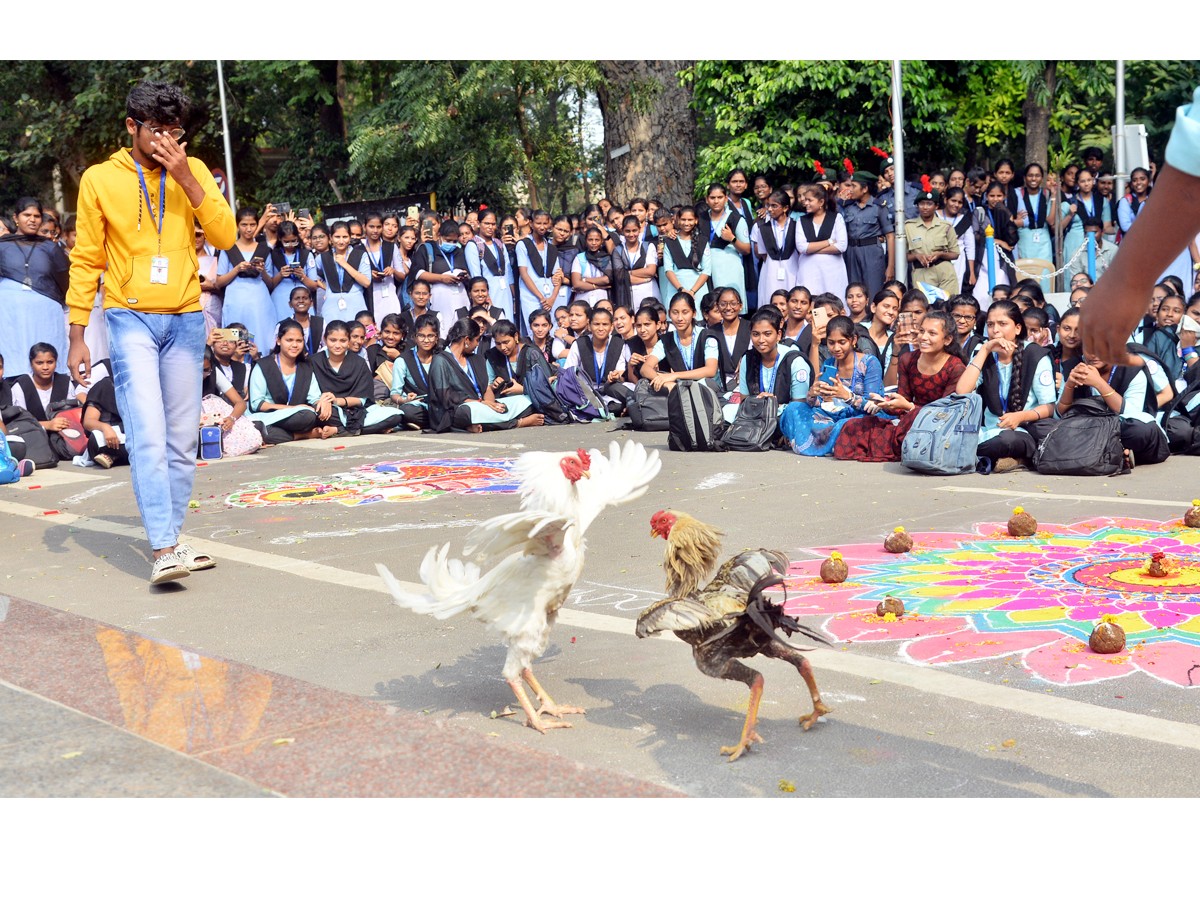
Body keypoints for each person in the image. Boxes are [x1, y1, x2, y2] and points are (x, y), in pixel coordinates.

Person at [66, 81, 237, 584]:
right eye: (156, 131)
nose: (166, 140)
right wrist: (78, 332)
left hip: (186, 318)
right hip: (128, 317)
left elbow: (225, 236)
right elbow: (86, 259)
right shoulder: (100, 178)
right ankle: (164, 547)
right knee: (147, 432)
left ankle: (173, 537)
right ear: (131, 127)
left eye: (175, 132)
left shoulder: (195, 169)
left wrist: (187, 178)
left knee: (184, 440)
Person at [834, 310, 966, 462]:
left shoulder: (955, 367)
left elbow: (946, 414)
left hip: (936, 426)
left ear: (947, 339)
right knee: (853, 426)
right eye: (921, 331)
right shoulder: (907, 359)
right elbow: (901, 401)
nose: (923, 337)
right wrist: (886, 403)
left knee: (905, 427)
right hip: (907, 419)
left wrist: (910, 408)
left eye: (932, 333)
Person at [955, 300, 1056, 473]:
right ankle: (1007, 459)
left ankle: (1017, 457)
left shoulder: (1035, 355)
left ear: (1017, 328)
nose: (995, 330)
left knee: (1006, 441)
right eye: (990, 324)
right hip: (990, 430)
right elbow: (962, 391)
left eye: (1002, 324)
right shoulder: (983, 351)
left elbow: (1049, 407)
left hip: (1023, 429)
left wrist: (1020, 416)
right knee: (959, 438)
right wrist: (985, 350)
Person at [782, 314, 884, 456]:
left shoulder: (869, 363)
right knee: (793, 408)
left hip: (860, 415)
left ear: (853, 340)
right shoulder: (829, 363)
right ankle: (823, 443)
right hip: (832, 415)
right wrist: (812, 394)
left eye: (842, 342)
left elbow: (873, 405)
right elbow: (823, 403)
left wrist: (847, 396)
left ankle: (816, 442)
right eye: (831, 342)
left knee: (844, 426)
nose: (836, 348)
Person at [1056, 349, 1170, 467]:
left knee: (1142, 430)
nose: (1094, 353)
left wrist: (1099, 383)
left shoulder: (1131, 370)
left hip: (1119, 429)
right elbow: (1059, 415)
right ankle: (1116, 454)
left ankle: (1106, 454)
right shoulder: (1075, 367)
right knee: (1044, 428)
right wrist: (1069, 385)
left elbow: (1132, 413)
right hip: (1088, 429)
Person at [427, 316, 540, 433]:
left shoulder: (477, 359)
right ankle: (518, 423)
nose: (477, 345)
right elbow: (445, 399)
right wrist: (482, 403)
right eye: (477, 340)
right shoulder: (440, 360)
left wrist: (492, 405)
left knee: (526, 401)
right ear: (466, 340)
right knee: (467, 413)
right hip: (458, 408)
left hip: (482, 407)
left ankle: (478, 424)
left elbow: (486, 389)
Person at [0, 197, 71, 377]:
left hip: (45, 315)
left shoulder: (50, 247)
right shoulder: (3, 245)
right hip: (10, 317)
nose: (32, 219)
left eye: (37, 216)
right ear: (16, 218)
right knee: (13, 357)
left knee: (45, 357)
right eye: (27, 215)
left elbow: (64, 277)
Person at [248, 319, 338, 443]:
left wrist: (323, 403)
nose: (295, 345)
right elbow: (257, 404)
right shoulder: (263, 366)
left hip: (298, 416)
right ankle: (304, 435)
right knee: (263, 428)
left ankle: (279, 433)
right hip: (270, 416)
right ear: (278, 341)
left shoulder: (305, 367)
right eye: (289, 340)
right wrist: (292, 409)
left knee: (325, 413)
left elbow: (314, 398)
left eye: (299, 341)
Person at [721, 306, 812, 428]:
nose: (761, 340)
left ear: (778, 335)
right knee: (727, 411)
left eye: (767, 334)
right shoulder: (747, 359)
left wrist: (773, 404)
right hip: (755, 415)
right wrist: (760, 403)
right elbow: (744, 401)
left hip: (785, 416)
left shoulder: (795, 361)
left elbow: (799, 404)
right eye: (755, 334)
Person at [311, 320, 404, 436]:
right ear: (325, 339)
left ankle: (337, 430)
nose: (338, 345)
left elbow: (363, 399)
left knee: (396, 416)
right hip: (330, 410)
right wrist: (324, 402)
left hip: (356, 410)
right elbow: (311, 395)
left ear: (348, 341)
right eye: (333, 340)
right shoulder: (314, 361)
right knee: (317, 412)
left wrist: (338, 401)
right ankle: (355, 429)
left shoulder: (359, 363)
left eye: (343, 341)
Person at [639, 291, 719, 391]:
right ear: (669, 314)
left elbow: (710, 370)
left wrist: (675, 376)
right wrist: (662, 380)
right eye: (675, 312)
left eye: (685, 312)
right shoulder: (666, 340)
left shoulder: (707, 336)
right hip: (682, 391)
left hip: (708, 390)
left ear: (694, 313)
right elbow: (645, 368)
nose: (680, 318)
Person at [841, 171, 894, 298]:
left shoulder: (879, 207)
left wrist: (890, 266)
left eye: (854, 186)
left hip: (872, 252)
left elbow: (890, 236)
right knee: (853, 291)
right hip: (851, 252)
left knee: (873, 292)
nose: (850, 190)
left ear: (864, 189)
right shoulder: (847, 206)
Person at [699, 183, 750, 311]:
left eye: (720, 197)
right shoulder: (701, 218)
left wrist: (732, 238)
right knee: (711, 305)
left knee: (729, 304)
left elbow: (746, 249)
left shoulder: (736, 218)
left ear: (726, 198)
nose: (716, 201)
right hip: (707, 266)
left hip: (729, 266)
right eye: (712, 197)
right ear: (707, 199)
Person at [905, 179, 959, 297]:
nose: (925, 207)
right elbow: (904, 256)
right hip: (922, 272)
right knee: (926, 307)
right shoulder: (908, 227)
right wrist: (917, 256)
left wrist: (940, 254)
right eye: (921, 203)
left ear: (936, 206)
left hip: (945, 272)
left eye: (929, 204)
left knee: (949, 305)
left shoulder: (946, 226)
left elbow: (955, 253)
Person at [795, 183, 849, 298]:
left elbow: (841, 246)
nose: (806, 203)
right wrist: (829, 242)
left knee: (832, 303)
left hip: (832, 271)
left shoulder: (836, 218)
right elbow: (802, 247)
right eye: (805, 200)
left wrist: (811, 248)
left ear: (821, 202)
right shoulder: (802, 220)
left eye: (810, 200)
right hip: (809, 271)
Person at [751, 191, 800, 310]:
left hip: (791, 267)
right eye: (768, 205)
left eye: (774, 206)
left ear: (785, 208)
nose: (770, 209)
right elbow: (760, 253)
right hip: (770, 268)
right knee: (769, 299)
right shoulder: (761, 226)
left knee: (791, 298)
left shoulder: (797, 225)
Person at [471, 210, 515, 320]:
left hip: (505, 292)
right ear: (479, 224)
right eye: (486, 223)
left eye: (493, 224)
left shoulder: (499, 243)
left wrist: (514, 297)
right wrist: (486, 298)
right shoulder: (473, 245)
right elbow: (476, 276)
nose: (490, 227)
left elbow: (508, 272)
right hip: (489, 292)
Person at [661, 207, 711, 303]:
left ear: (696, 220)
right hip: (676, 287)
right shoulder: (671, 241)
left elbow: (706, 271)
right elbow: (668, 270)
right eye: (683, 219)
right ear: (678, 220)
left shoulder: (703, 241)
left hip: (698, 289)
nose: (686, 223)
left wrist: (692, 291)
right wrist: (680, 289)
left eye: (690, 220)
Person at [611, 215, 660, 310]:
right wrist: (645, 279)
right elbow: (619, 277)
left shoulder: (648, 246)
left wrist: (628, 273)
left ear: (639, 229)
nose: (631, 234)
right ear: (622, 231)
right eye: (627, 231)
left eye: (634, 230)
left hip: (649, 292)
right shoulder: (618, 251)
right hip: (627, 294)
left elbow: (651, 271)